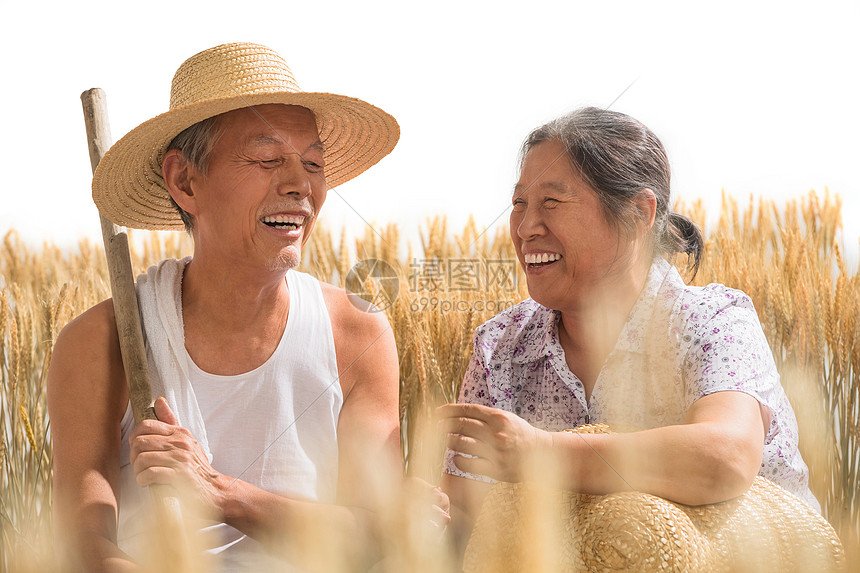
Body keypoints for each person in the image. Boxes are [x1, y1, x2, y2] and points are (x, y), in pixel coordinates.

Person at [48, 42, 447, 572]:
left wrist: (220, 493)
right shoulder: (102, 343)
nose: (299, 185)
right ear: (185, 181)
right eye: (266, 159)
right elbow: (82, 550)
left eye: (312, 163)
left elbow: (375, 536)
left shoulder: (356, 332)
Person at [437, 107, 818, 556]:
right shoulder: (499, 347)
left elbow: (725, 456)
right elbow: (467, 522)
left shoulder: (713, 320)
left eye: (551, 203)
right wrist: (423, 522)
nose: (525, 228)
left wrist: (539, 453)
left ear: (639, 213)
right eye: (519, 204)